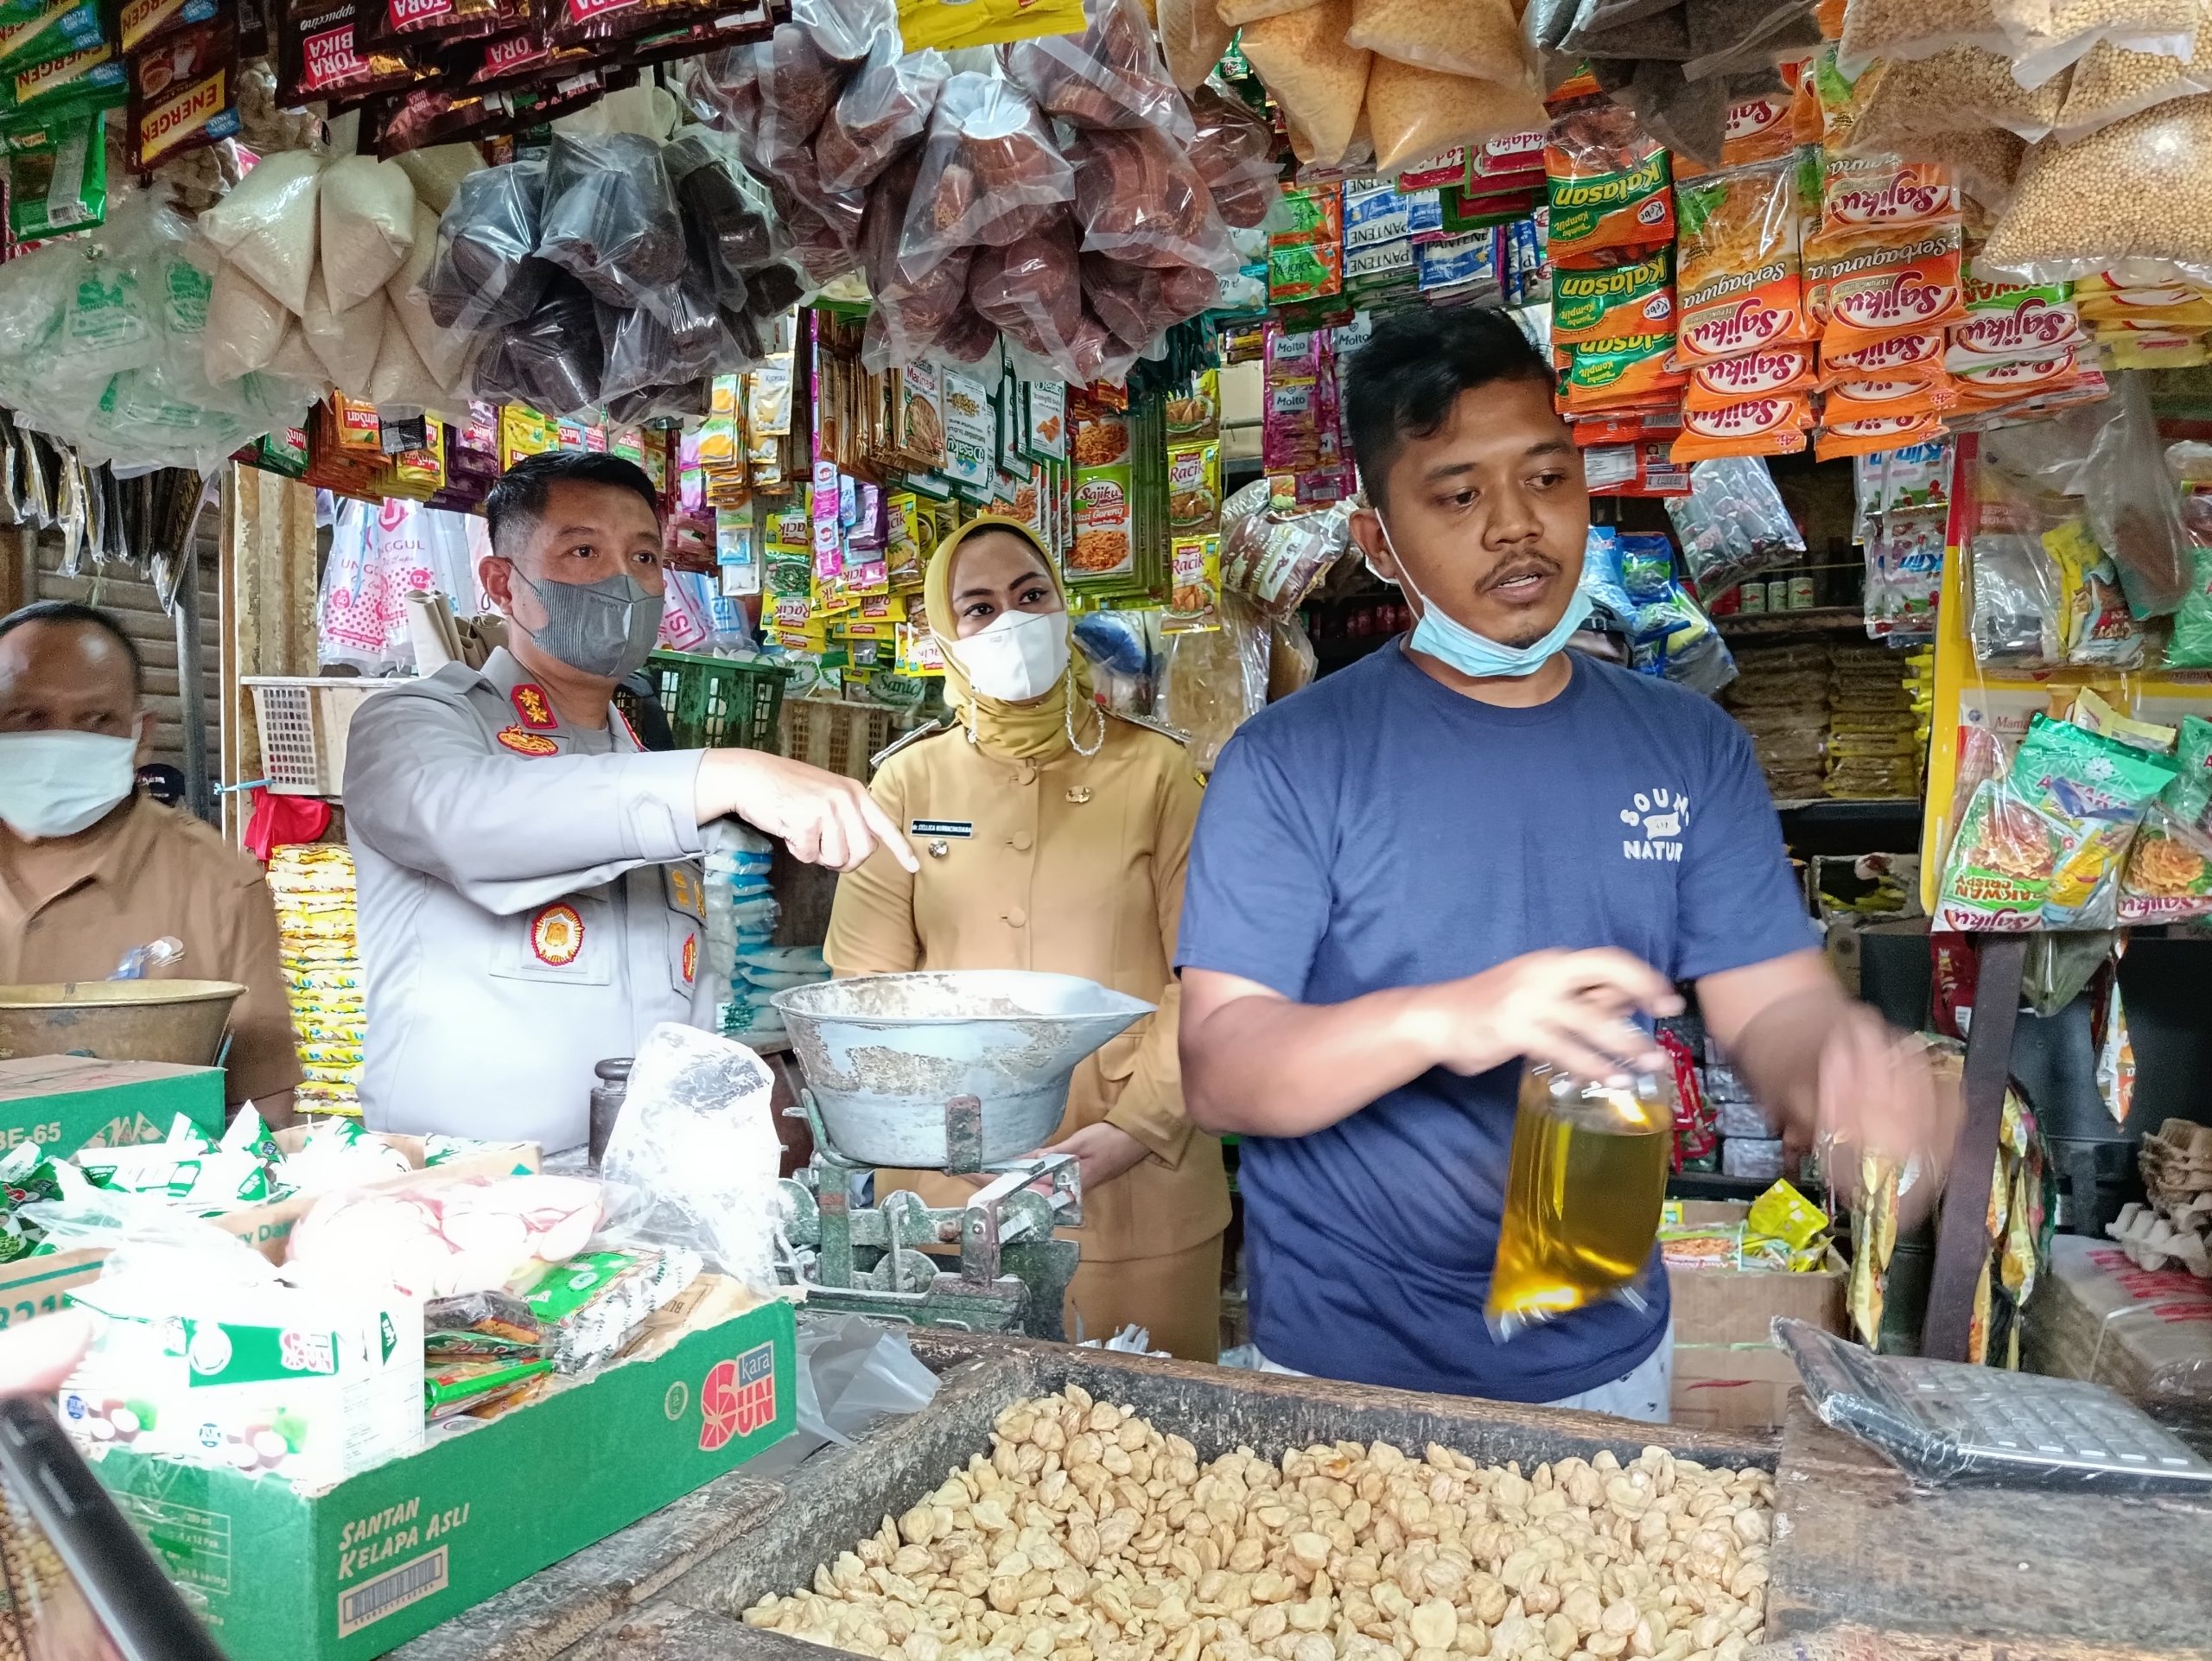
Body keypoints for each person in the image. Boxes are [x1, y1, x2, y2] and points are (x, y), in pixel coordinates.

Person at [1174, 310, 1954, 1417]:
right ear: (1378, 540)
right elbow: (1222, 1066)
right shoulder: (1291, 760)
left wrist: (1843, 1074)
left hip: (1604, 1350)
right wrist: (1449, 1017)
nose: (1514, 527)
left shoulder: (1688, 743)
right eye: (1457, 495)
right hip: (1342, 1364)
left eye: (1547, 478)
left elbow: (1773, 997)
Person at [346, 451, 914, 1151]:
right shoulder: (419, 723)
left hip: (641, 1193)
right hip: (467, 1196)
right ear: (502, 582)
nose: (623, 580)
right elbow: (464, 817)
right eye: (583, 551)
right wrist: (725, 773)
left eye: (644, 557)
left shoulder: (639, 764)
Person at [825, 518, 1230, 1360]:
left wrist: (1130, 1130)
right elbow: (863, 988)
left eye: (1029, 595)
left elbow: (1212, 975)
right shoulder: (906, 781)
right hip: (943, 1199)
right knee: (957, 1463)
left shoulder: (1161, 775)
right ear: (944, 635)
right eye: (977, 607)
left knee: (1141, 1451)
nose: (1010, 620)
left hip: (1140, 1194)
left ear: (1062, 604)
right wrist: (950, 1137)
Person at [0, 602, 301, 1126]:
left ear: (141, 737)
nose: (65, 741)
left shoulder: (218, 884)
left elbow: (260, 1107)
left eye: (97, 721)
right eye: (29, 717)